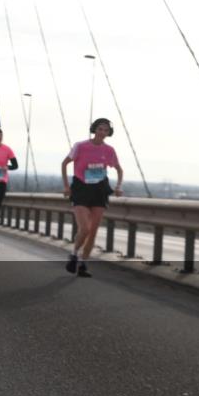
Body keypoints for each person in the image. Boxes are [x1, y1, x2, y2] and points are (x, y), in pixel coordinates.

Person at [61, 118, 123, 278]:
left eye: (106, 130)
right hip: (81, 189)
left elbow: (119, 169)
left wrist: (118, 186)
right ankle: (74, 254)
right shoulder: (80, 146)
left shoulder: (109, 150)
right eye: (100, 129)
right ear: (94, 129)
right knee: (85, 228)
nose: (103, 132)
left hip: (99, 191)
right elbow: (64, 163)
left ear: (109, 133)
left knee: (93, 231)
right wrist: (67, 186)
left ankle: (83, 264)